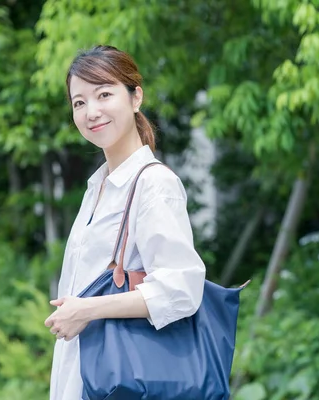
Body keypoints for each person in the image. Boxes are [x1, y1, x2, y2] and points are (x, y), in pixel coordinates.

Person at [45, 45, 207, 400]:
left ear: (136, 98)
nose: (92, 111)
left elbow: (182, 288)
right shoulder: (98, 187)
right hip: (81, 379)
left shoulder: (153, 185)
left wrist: (88, 309)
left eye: (104, 94)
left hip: (121, 380)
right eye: (79, 102)